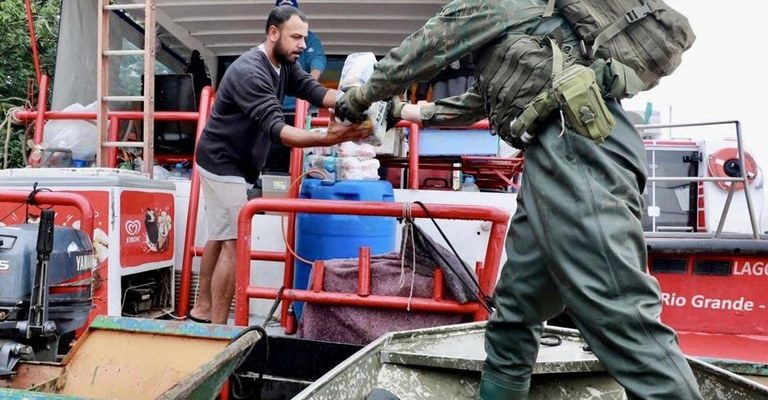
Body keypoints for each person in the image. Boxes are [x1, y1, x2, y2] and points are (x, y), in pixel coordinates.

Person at [335, 1, 703, 399]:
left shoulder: (491, 4)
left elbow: (421, 51)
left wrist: (358, 99)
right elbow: (478, 101)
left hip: (581, 152)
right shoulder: (523, 27)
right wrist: (399, 109)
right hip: (556, 155)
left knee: (620, 312)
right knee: (516, 312)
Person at [189, 5, 370, 325]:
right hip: (222, 163)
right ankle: (217, 333)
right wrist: (328, 138)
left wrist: (351, 102)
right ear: (273, 33)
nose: (304, 44)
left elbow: (313, 91)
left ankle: (202, 308)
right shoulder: (250, 72)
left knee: (219, 234)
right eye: (297, 37)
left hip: (237, 163)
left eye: (305, 37)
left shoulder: (284, 64)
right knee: (234, 242)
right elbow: (280, 131)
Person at [264, 0, 328, 173]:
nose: (300, 43)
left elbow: (318, 62)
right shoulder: (266, 49)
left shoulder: (309, 40)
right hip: (275, 110)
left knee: (303, 162)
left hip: (302, 111)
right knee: (274, 160)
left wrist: (309, 89)